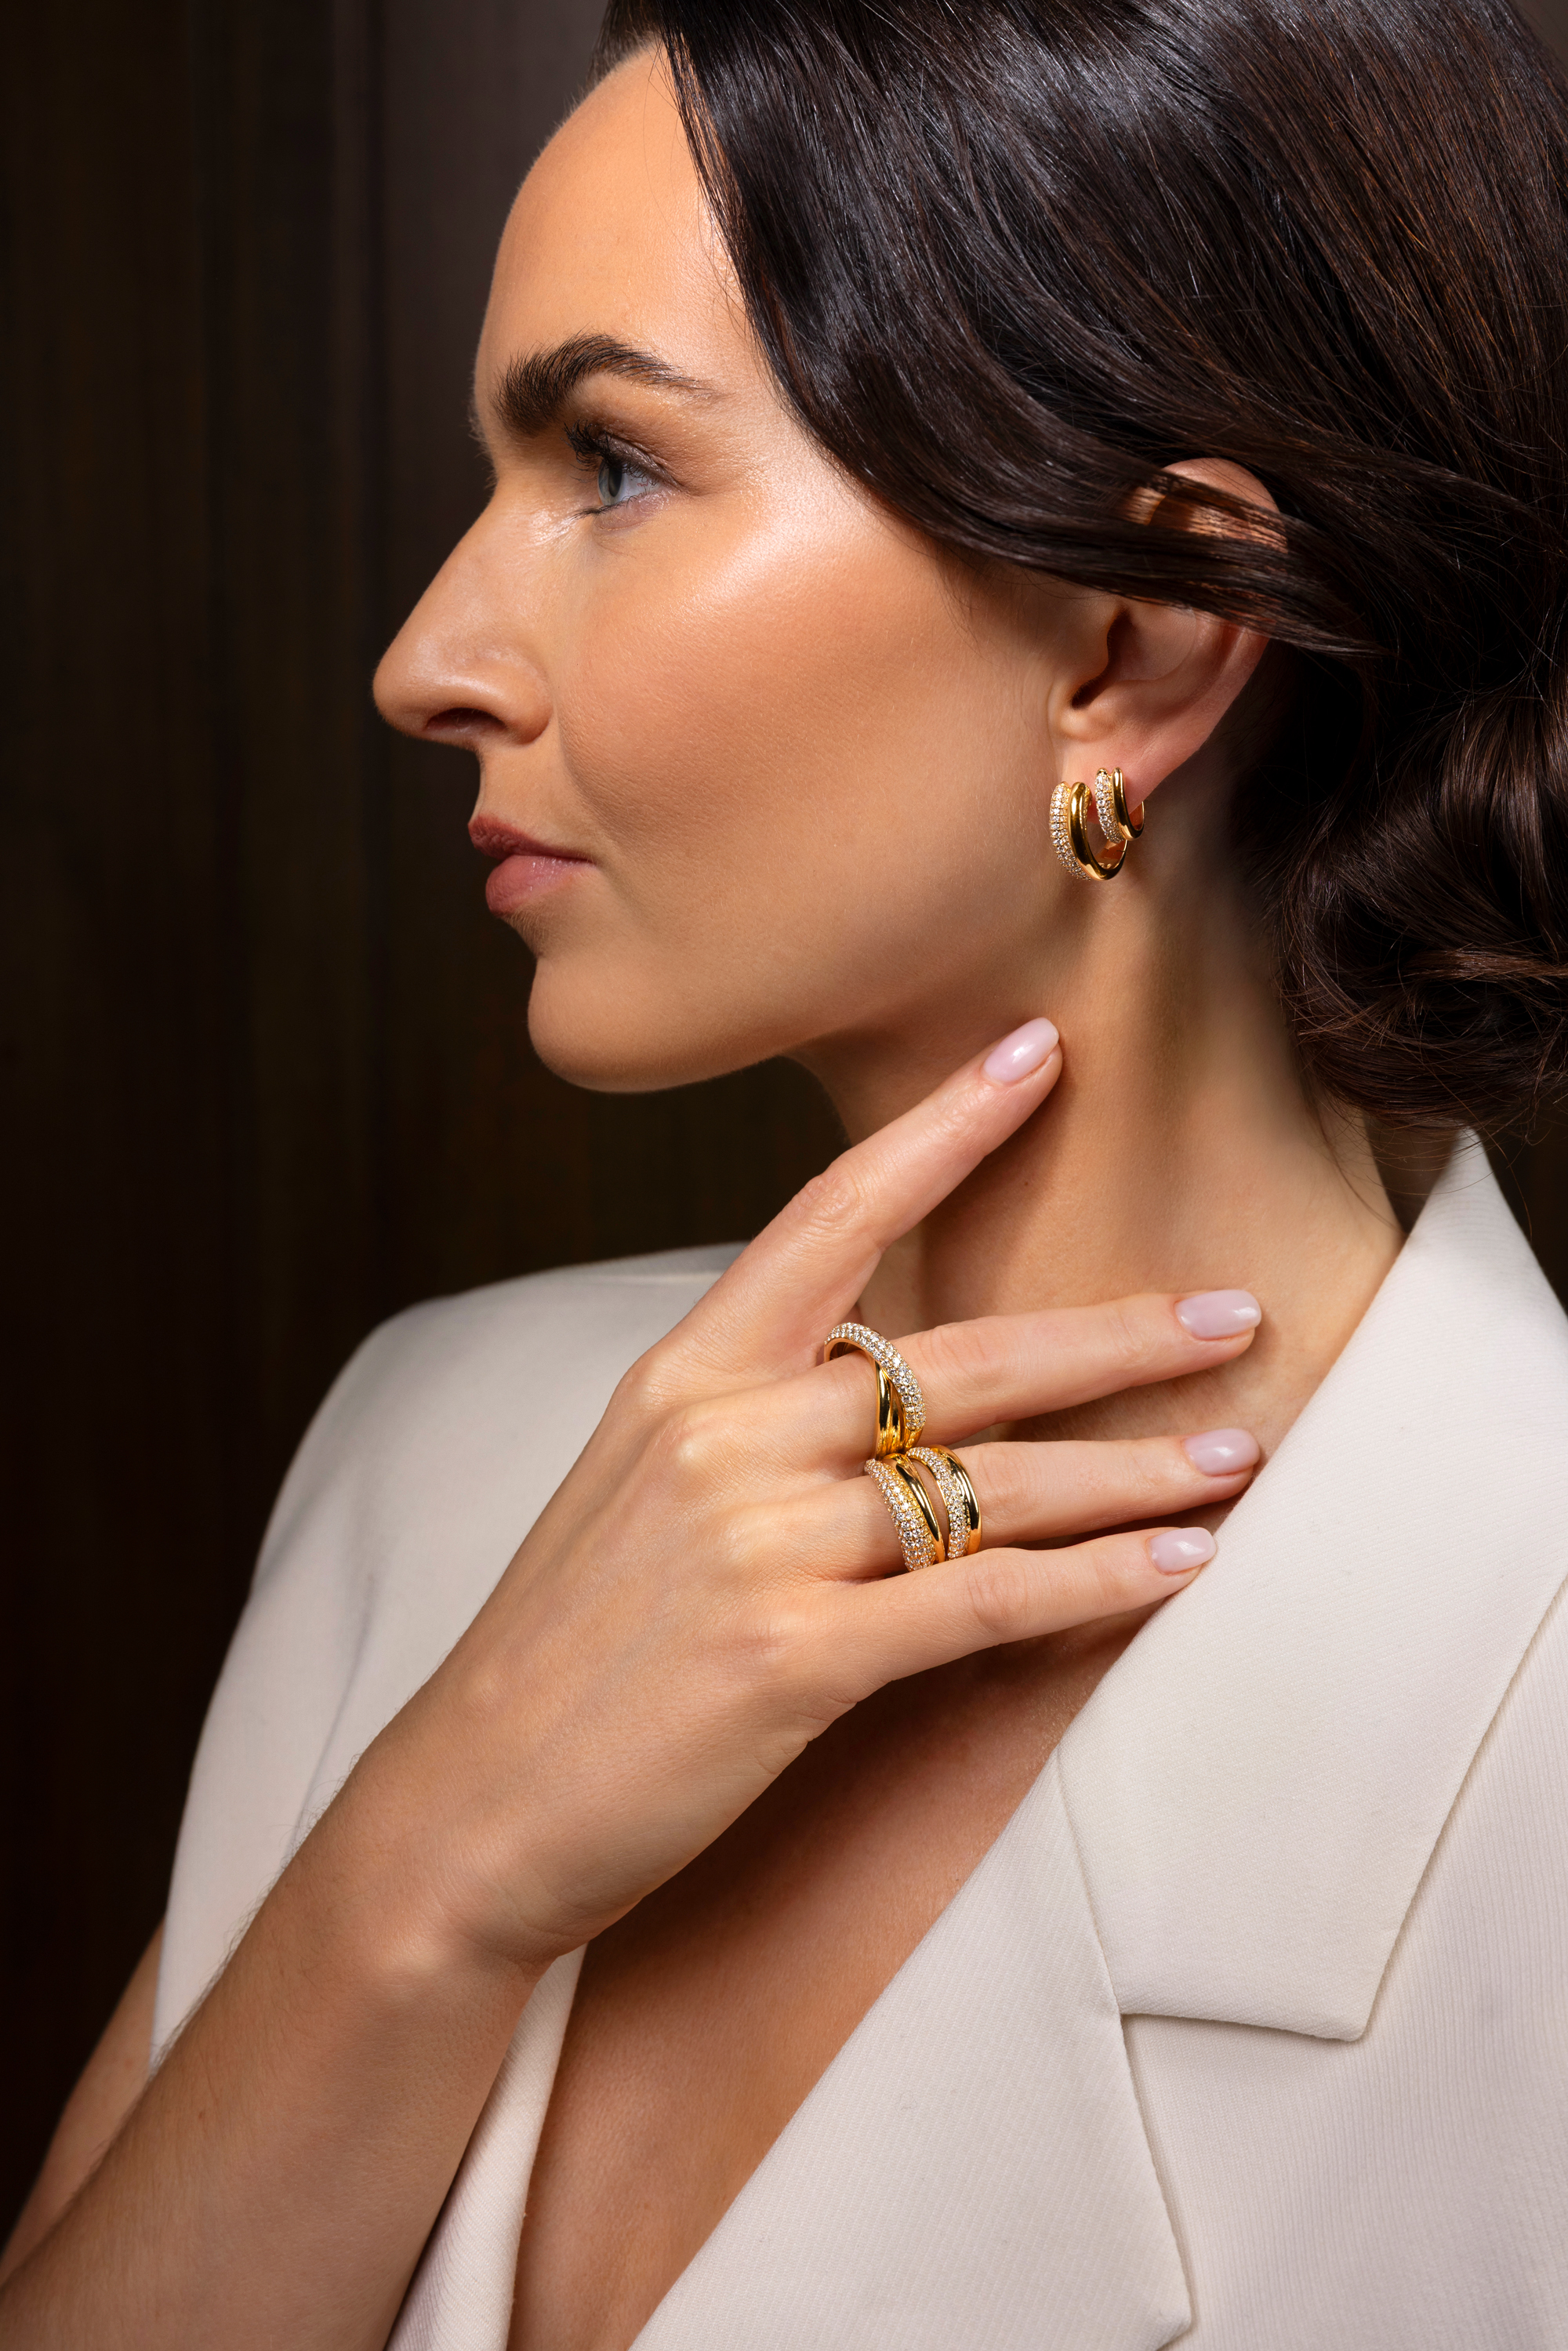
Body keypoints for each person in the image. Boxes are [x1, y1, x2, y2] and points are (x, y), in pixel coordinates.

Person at [6, 0, 1568, 2342]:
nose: (426, 658)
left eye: (614, 467)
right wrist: (427, 1870)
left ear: (1134, 647)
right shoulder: (430, 1451)